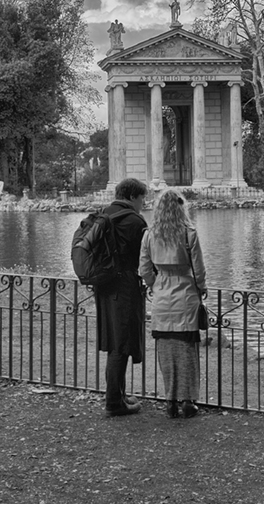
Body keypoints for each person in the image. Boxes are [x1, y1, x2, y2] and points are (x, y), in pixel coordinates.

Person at [139, 189, 207, 418]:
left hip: (161, 294)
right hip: (186, 293)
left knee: (166, 350)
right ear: (181, 208)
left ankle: (170, 399)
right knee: (187, 350)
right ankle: (188, 400)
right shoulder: (189, 233)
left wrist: (155, 285)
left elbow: (144, 270)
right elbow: (198, 269)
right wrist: (202, 288)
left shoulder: (149, 234)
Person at [97, 177, 149, 416]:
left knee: (114, 343)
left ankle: (118, 393)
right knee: (122, 344)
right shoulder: (134, 221)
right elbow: (146, 257)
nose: (143, 204)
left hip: (105, 286)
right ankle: (114, 403)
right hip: (125, 286)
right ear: (131, 197)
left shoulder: (103, 214)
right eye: (141, 199)